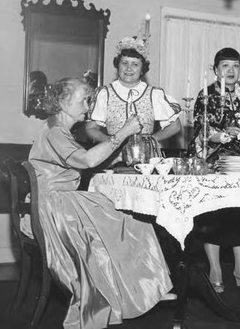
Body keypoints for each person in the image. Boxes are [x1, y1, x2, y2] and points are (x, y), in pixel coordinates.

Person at [29, 77, 174, 329]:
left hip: (59, 201)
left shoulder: (57, 128)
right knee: (127, 216)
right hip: (56, 208)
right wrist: (125, 132)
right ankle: (144, 287)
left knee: (127, 215)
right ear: (63, 103)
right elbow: (86, 161)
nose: (87, 106)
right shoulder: (55, 131)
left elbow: (79, 161)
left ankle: (147, 286)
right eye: (83, 100)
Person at [187, 47, 240, 294]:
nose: (231, 71)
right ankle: (215, 269)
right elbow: (200, 127)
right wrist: (220, 136)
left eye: (235, 66)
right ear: (216, 69)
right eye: (225, 66)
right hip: (215, 161)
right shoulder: (206, 94)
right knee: (216, 216)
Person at [86, 36, 181, 162]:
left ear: (142, 69)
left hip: (147, 159)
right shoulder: (104, 94)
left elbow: (175, 126)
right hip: (113, 157)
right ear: (117, 65)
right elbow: (90, 128)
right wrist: (112, 142)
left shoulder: (153, 94)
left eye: (135, 64)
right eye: (124, 63)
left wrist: (151, 140)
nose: (129, 69)